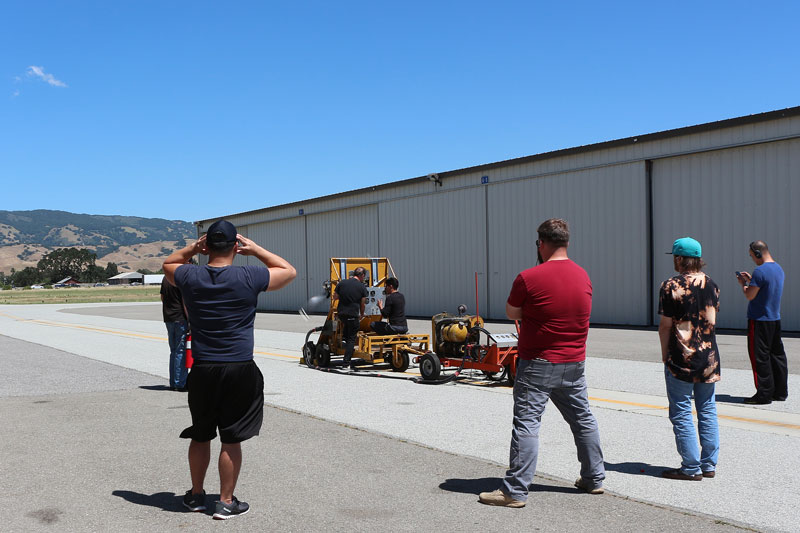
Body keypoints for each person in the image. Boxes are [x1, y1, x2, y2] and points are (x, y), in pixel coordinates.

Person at [163, 219, 296, 520]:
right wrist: (256, 250)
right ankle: (225, 501)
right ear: (236, 246)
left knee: (201, 434)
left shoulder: (189, 275)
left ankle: (196, 496)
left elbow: (168, 263)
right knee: (231, 438)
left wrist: (192, 248)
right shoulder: (249, 275)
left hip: (204, 367)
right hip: (238, 367)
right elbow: (289, 271)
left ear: (206, 246)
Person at [479, 218, 604, 508]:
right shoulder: (583, 275)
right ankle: (594, 478)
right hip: (574, 362)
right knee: (583, 420)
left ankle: (514, 491)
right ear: (566, 242)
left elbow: (512, 310)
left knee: (527, 424)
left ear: (541, 243)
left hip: (537, 362)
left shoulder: (529, 277)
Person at [658, 237, 720, 481]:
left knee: (682, 411)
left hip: (681, 358)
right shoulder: (712, 285)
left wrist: (664, 353)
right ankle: (709, 465)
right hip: (709, 357)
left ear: (680, 259)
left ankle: (691, 467)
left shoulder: (670, 285)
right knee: (707, 409)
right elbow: (710, 321)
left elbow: (665, 326)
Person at [736, 240, 788, 404]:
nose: (753, 259)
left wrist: (744, 284)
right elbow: (766, 289)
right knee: (777, 355)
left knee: (760, 357)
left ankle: (764, 394)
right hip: (774, 318)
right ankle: (780, 392)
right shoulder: (778, 269)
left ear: (757, 253)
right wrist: (753, 281)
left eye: (752, 256)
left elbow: (750, 295)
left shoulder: (760, 271)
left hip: (759, 320)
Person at [332, 267, 367, 370]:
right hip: (352, 315)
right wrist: (362, 314)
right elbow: (363, 303)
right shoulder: (361, 287)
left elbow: (335, 297)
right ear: (362, 276)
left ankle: (343, 340)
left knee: (346, 329)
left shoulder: (342, 283)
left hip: (341, 314)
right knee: (352, 338)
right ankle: (346, 363)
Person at [160, 277, 189, 391]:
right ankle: (180, 383)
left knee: (173, 351)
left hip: (168, 317)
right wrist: (190, 319)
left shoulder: (165, 278)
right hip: (180, 317)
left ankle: (173, 382)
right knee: (180, 351)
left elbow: (162, 297)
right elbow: (184, 301)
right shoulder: (180, 278)